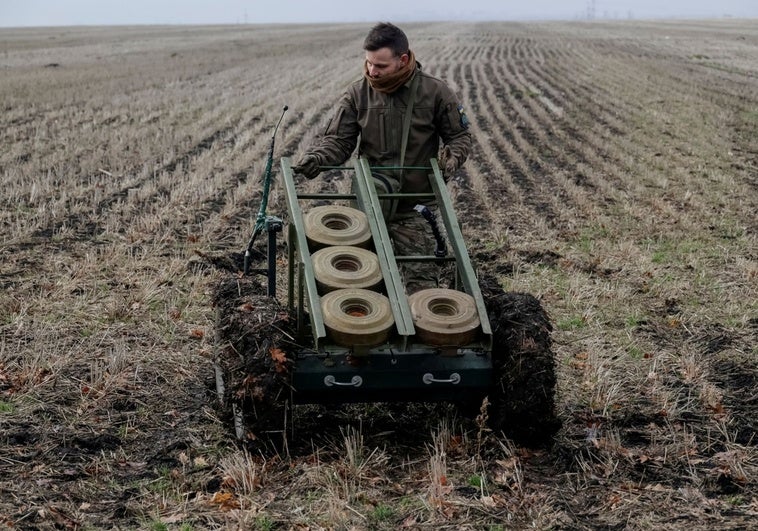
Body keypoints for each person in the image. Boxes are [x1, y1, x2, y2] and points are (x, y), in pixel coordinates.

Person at [293, 22, 472, 292]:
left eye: (381, 66)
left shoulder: (435, 92)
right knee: (359, 285)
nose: (372, 72)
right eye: (368, 64)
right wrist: (317, 158)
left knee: (422, 287)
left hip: (415, 208)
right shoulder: (357, 93)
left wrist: (452, 158)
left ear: (402, 60)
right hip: (369, 205)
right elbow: (339, 141)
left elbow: (460, 137)